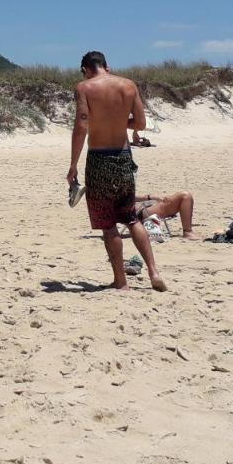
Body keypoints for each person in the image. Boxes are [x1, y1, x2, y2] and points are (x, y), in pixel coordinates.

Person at [67, 51, 166, 291]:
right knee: (131, 218)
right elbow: (141, 124)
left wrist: (73, 165)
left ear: (85, 69)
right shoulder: (128, 85)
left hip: (99, 160)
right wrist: (119, 121)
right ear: (106, 66)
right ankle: (153, 272)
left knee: (108, 224)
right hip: (124, 159)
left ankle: (121, 281)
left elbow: (81, 126)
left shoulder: (84, 88)